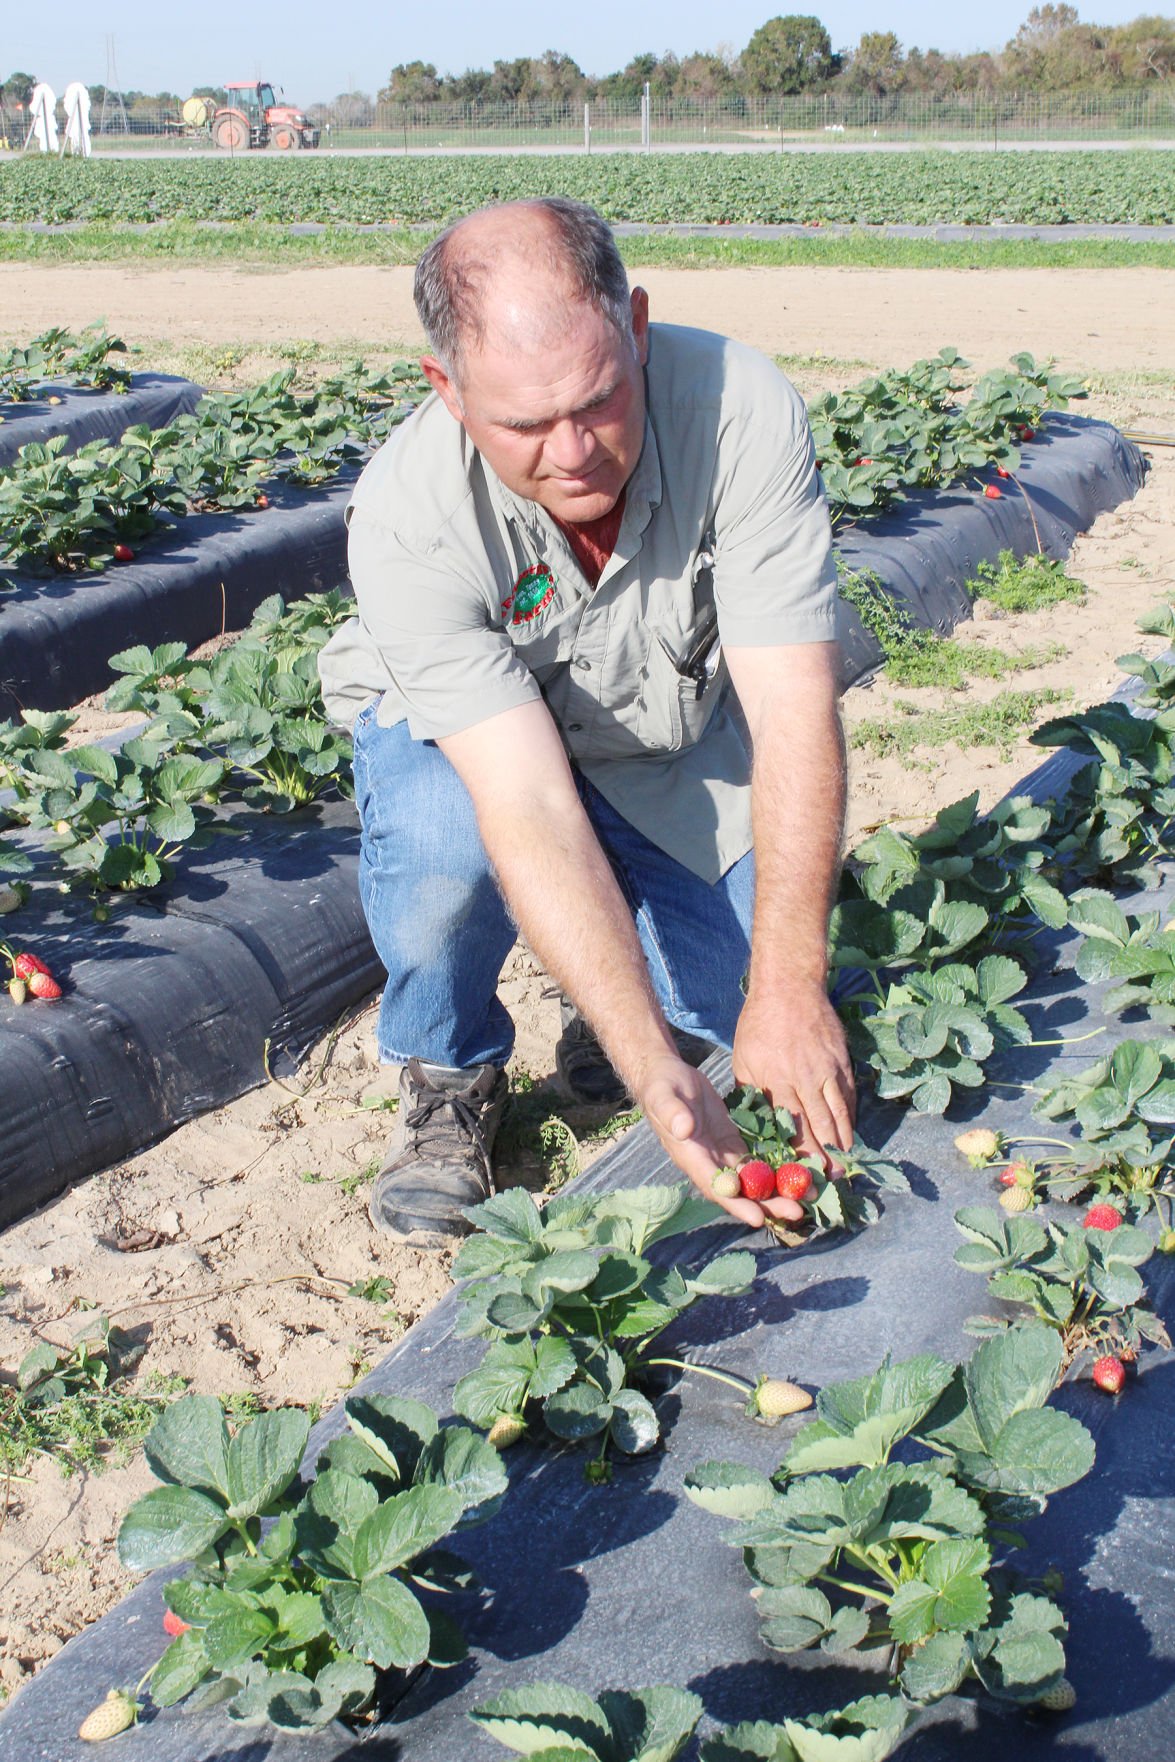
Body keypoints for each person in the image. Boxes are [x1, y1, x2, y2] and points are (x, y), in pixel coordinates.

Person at [317, 195, 855, 1247]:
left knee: (744, 999)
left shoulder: (737, 412)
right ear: (447, 389)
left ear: (635, 326)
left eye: (600, 400)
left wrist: (788, 984)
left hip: (655, 720)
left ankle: (603, 1000)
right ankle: (449, 1068)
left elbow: (793, 709)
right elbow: (523, 799)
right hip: (472, 743)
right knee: (445, 859)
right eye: (522, 424)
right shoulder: (408, 516)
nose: (572, 452)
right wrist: (653, 1074)